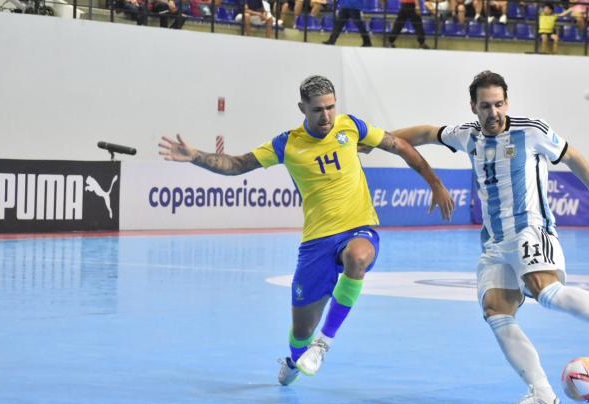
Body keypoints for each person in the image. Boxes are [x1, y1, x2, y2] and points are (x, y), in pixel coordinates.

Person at [390, 70, 589, 404]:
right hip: (495, 242)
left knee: (546, 291)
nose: (493, 112)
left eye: (499, 104)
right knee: (496, 311)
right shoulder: (466, 135)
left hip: (531, 229)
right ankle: (543, 396)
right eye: (485, 106)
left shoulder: (531, 130)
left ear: (507, 102)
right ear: (473, 107)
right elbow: (425, 133)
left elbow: (572, 156)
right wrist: (378, 139)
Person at [158, 75, 455, 386]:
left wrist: (435, 183)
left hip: (358, 227)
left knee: (359, 256)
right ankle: (295, 358)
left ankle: (324, 344)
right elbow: (237, 164)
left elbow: (400, 145)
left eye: (330, 107)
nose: (326, 115)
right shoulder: (287, 144)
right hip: (316, 243)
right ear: (302, 108)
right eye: (317, 110)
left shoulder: (351, 127)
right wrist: (196, 157)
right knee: (301, 332)